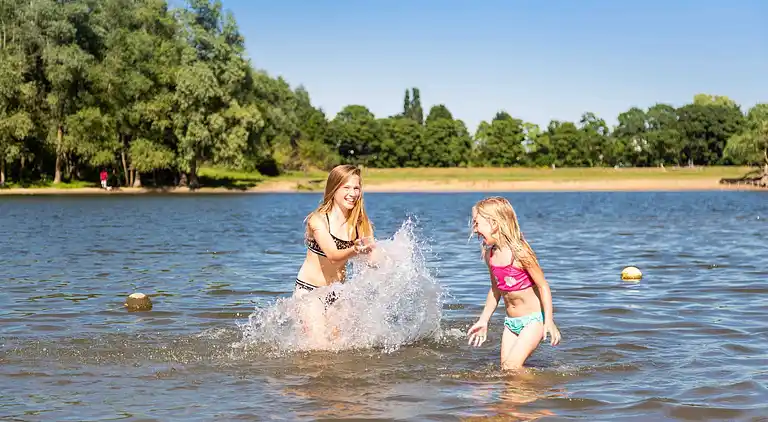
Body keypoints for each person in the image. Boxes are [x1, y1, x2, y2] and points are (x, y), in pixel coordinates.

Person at [467, 196, 561, 370]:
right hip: (510, 324)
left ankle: (547, 389)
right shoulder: (490, 256)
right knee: (506, 369)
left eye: (477, 223)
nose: (475, 229)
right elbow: (495, 290)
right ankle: (524, 394)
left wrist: (549, 321)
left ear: (494, 224)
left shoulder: (521, 253)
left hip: (533, 321)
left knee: (511, 367)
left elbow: (543, 286)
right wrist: (483, 320)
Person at [294, 164, 376, 345]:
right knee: (320, 348)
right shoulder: (318, 220)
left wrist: (387, 259)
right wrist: (356, 248)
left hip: (337, 293)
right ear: (334, 189)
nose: (352, 193)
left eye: (356, 188)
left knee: (342, 347)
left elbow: (373, 258)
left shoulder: (360, 223)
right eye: (346, 187)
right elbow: (333, 254)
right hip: (309, 291)